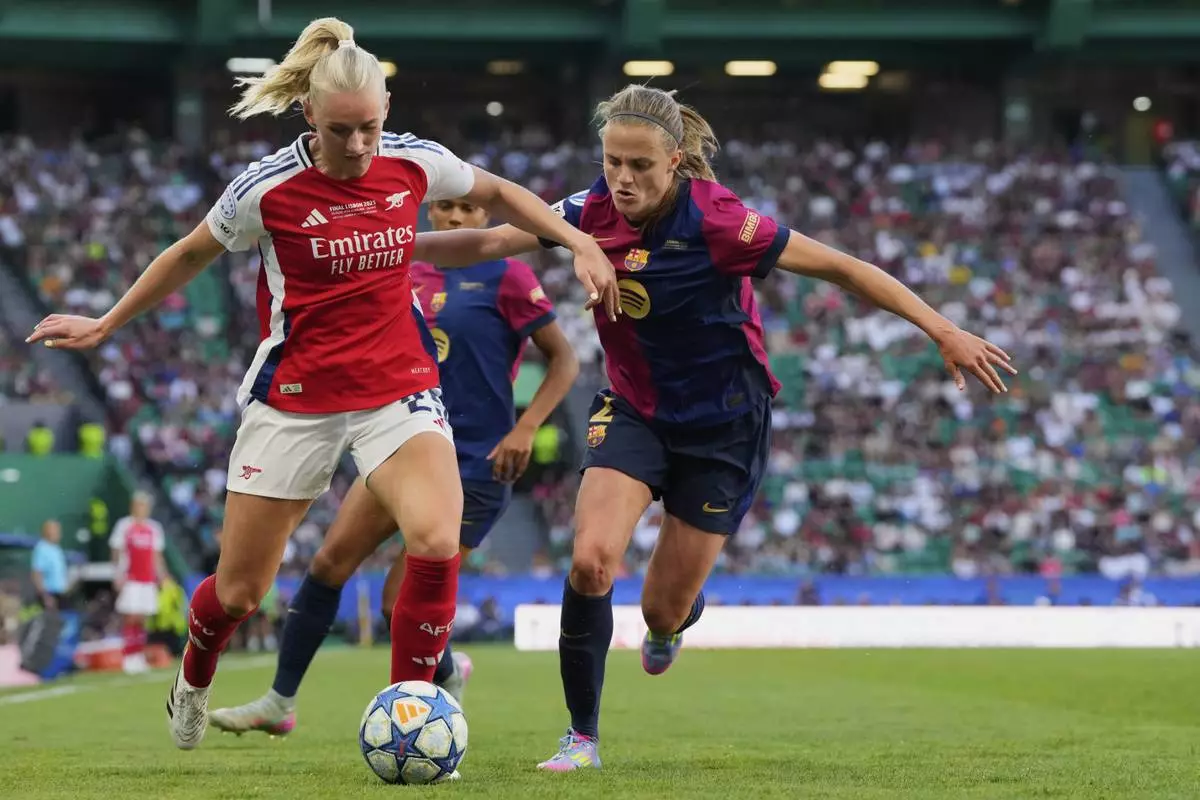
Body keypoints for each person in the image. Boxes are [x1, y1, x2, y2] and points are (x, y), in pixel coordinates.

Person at [25, 16, 614, 754]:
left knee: (436, 540)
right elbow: (188, 254)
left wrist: (579, 240)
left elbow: (498, 192)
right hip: (295, 399)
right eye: (341, 131)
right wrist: (108, 322)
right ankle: (194, 677)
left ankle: (411, 718)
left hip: (397, 388)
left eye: (370, 127)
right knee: (238, 592)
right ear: (308, 113)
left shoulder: (415, 161)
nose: (360, 145)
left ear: (387, 109)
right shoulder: (266, 188)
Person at [413, 84, 1019, 771]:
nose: (622, 178)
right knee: (590, 561)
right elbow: (490, 240)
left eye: (640, 165)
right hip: (635, 410)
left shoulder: (721, 221)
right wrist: (384, 245)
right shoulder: (587, 211)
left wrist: (941, 329)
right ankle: (581, 737)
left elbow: (842, 268)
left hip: (725, 427)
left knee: (660, 611)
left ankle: (674, 621)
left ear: (674, 160)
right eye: (612, 162)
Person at [209, 195, 578, 737]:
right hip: (402, 442)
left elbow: (565, 359)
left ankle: (429, 700)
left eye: (469, 210)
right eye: (446, 207)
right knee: (328, 563)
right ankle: (279, 702)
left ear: (485, 219)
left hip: (474, 461)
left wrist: (527, 428)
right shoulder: (403, 270)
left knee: (397, 601)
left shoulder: (509, 277)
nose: (456, 217)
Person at [109, 491, 168, 674]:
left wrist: (162, 575)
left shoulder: (154, 528)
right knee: (130, 616)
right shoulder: (124, 526)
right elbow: (116, 551)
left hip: (147, 579)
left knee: (143, 618)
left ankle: (138, 655)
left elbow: (157, 555)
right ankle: (128, 655)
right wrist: (117, 573)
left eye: (145, 506)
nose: (142, 509)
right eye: (139, 505)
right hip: (130, 578)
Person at [30, 519, 68, 611]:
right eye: (56, 530)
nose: (59, 534)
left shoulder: (57, 549)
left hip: (60, 594)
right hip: (49, 595)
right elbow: (37, 573)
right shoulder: (41, 549)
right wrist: (45, 596)